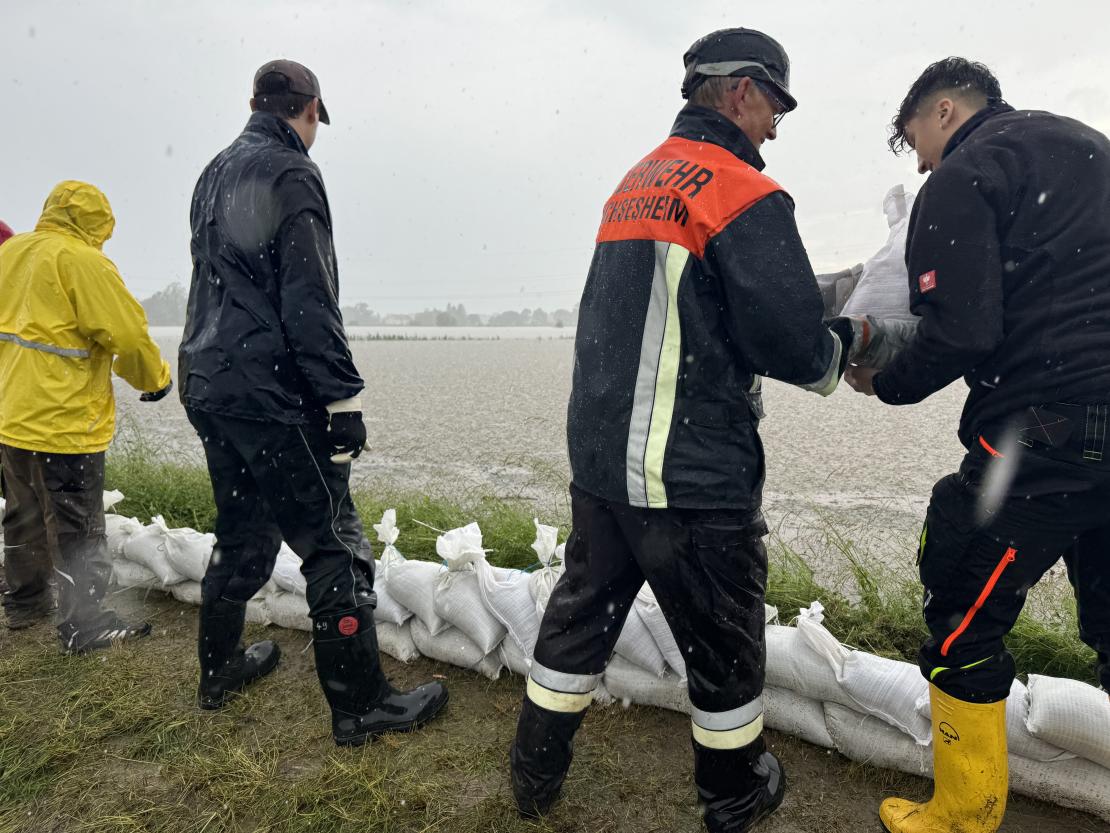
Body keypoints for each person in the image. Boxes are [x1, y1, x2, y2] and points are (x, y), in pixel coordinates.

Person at [509, 28, 856, 832]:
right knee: (725, 644)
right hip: (689, 475)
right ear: (741, 90)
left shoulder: (632, 184)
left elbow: (674, 310)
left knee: (578, 621)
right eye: (774, 107)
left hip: (603, 465)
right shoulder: (741, 190)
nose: (775, 128)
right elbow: (796, 348)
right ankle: (735, 793)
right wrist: (855, 339)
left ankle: (532, 775)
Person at [845, 58, 1110, 833]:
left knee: (963, 601)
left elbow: (963, 331)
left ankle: (965, 811)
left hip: (1046, 430)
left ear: (945, 110)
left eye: (914, 142)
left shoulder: (964, 175)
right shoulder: (1091, 147)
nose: (920, 164)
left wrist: (884, 382)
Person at [181, 59, 447, 743]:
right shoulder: (292, 172)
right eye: (316, 121)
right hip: (269, 390)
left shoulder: (213, 172)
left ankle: (218, 670)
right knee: (334, 545)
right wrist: (341, 398)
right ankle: (360, 706)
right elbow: (309, 295)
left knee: (241, 530)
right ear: (309, 112)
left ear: (254, 104)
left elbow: (218, 283)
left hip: (208, 380)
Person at [0, 181, 172, 647]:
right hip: (65, 424)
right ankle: (85, 623)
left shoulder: (10, 253)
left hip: (12, 418)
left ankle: (24, 603)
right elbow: (128, 336)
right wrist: (155, 380)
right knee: (77, 527)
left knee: (23, 514)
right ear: (97, 224)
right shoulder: (83, 262)